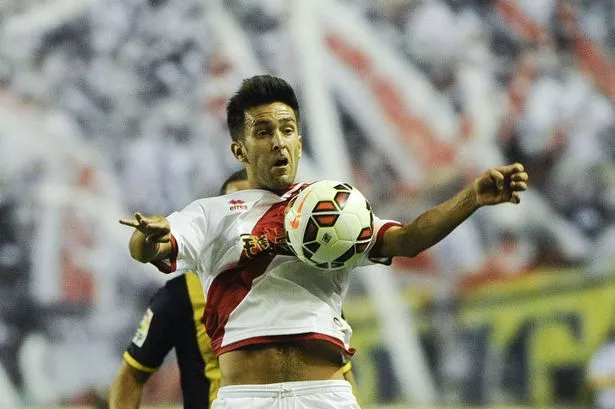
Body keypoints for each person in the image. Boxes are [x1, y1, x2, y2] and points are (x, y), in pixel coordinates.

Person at [119, 74, 529, 409]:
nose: (278, 141)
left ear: (299, 140)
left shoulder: (332, 206)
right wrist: (146, 236)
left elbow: (407, 240)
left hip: (325, 396)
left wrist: (471, 198)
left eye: (288, 129)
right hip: (245, 398)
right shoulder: (210, 214)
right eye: (263, 132)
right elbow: (151, 249)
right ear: (239, 149)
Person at [109, 169, 361, 408]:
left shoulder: (305, 283)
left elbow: (340, 370)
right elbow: (133, 372)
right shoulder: (181, 294)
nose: (247, 224)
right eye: (237, 213)